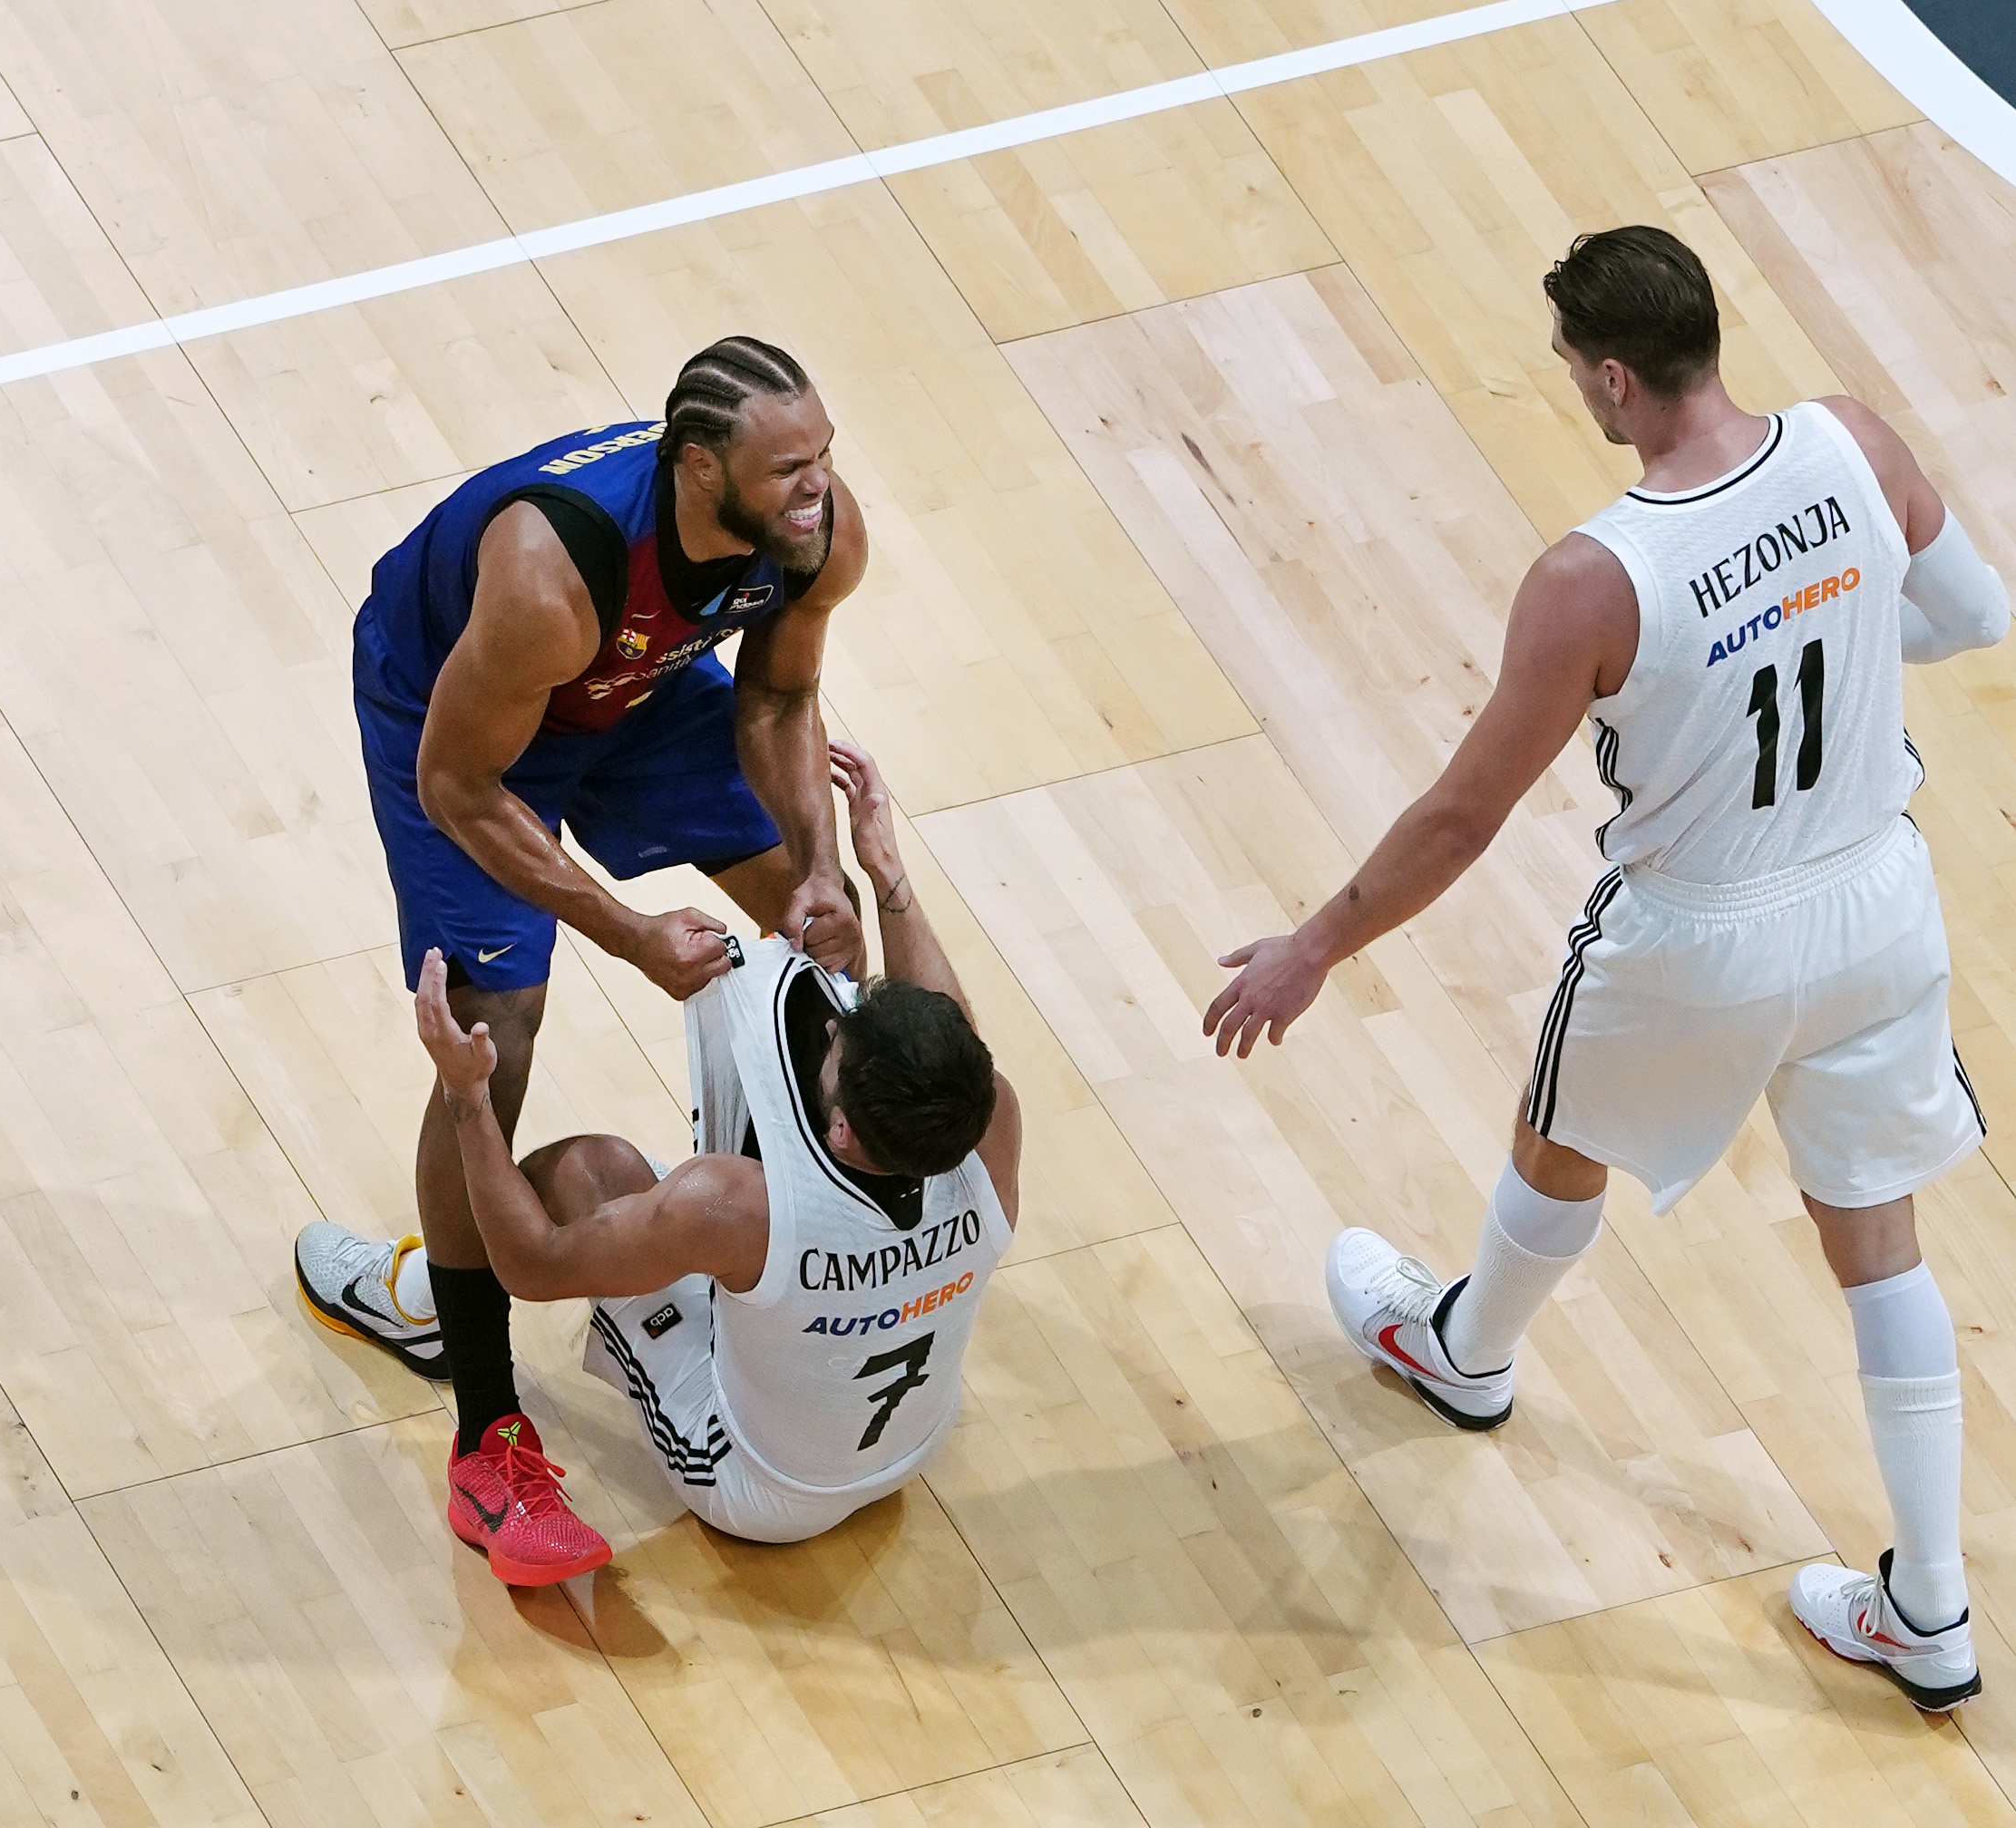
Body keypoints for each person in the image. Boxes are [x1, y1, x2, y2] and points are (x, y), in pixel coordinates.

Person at [1203, 227, 2009, 1711]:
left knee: (1558, 1134)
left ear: (1616, 376)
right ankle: (1934, 1610)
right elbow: (1973, 617)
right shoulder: (1852, 439)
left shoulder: (1597, 575)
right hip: (1877, 900)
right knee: (1879, 1239)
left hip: (1703, 930)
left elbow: (1461, 817)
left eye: (1577, 367)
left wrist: (1315, 945)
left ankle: (1469, 1352)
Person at [296, 335, 869, 1410]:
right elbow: (460, 786)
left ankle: (793, 1253)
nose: (819, 488)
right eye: (790, 468)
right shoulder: (547, 574)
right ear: (700, 466)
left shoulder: (811, 535)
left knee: (822, 940)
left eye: (825, 453)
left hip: (631, 688)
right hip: (460, 719)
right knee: (495, 1027)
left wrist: (824, 867)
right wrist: (630, 932)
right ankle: (449, 1336)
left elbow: (781, 702)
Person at [305, 740, 1021, 1581]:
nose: (835, 1021)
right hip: (909, 1447)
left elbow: (531, 1265)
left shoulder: (726, 1205)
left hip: (762, 1487)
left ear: (844, 1136)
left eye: (840, 1043)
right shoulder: (988, 1119)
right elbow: (948, 1030)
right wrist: (883, 870)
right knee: (712, 1227)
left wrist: (468, 1101)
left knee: (588, 1176)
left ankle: (437, 1307)